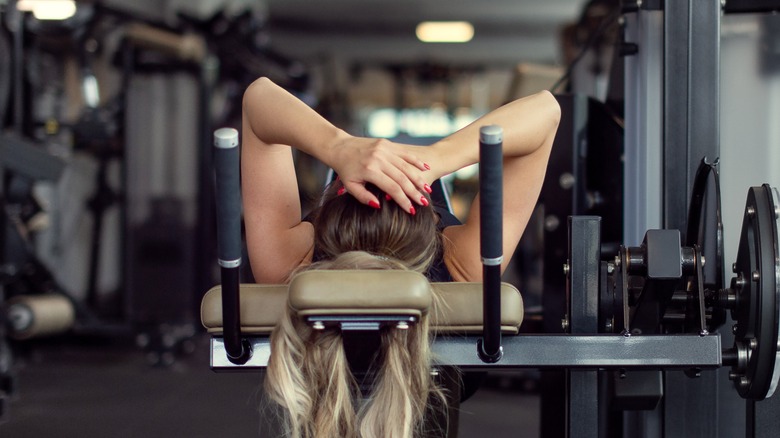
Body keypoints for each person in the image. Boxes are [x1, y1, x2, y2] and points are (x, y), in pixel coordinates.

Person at [241, 77, 560, 437]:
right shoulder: (461, 263)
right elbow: (546, 110)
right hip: (440, 381)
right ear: (433, 217)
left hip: (333, 369)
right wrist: (436, 159)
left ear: (329, 206)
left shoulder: (291, 262)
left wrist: (339, 146)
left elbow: (259, 98)